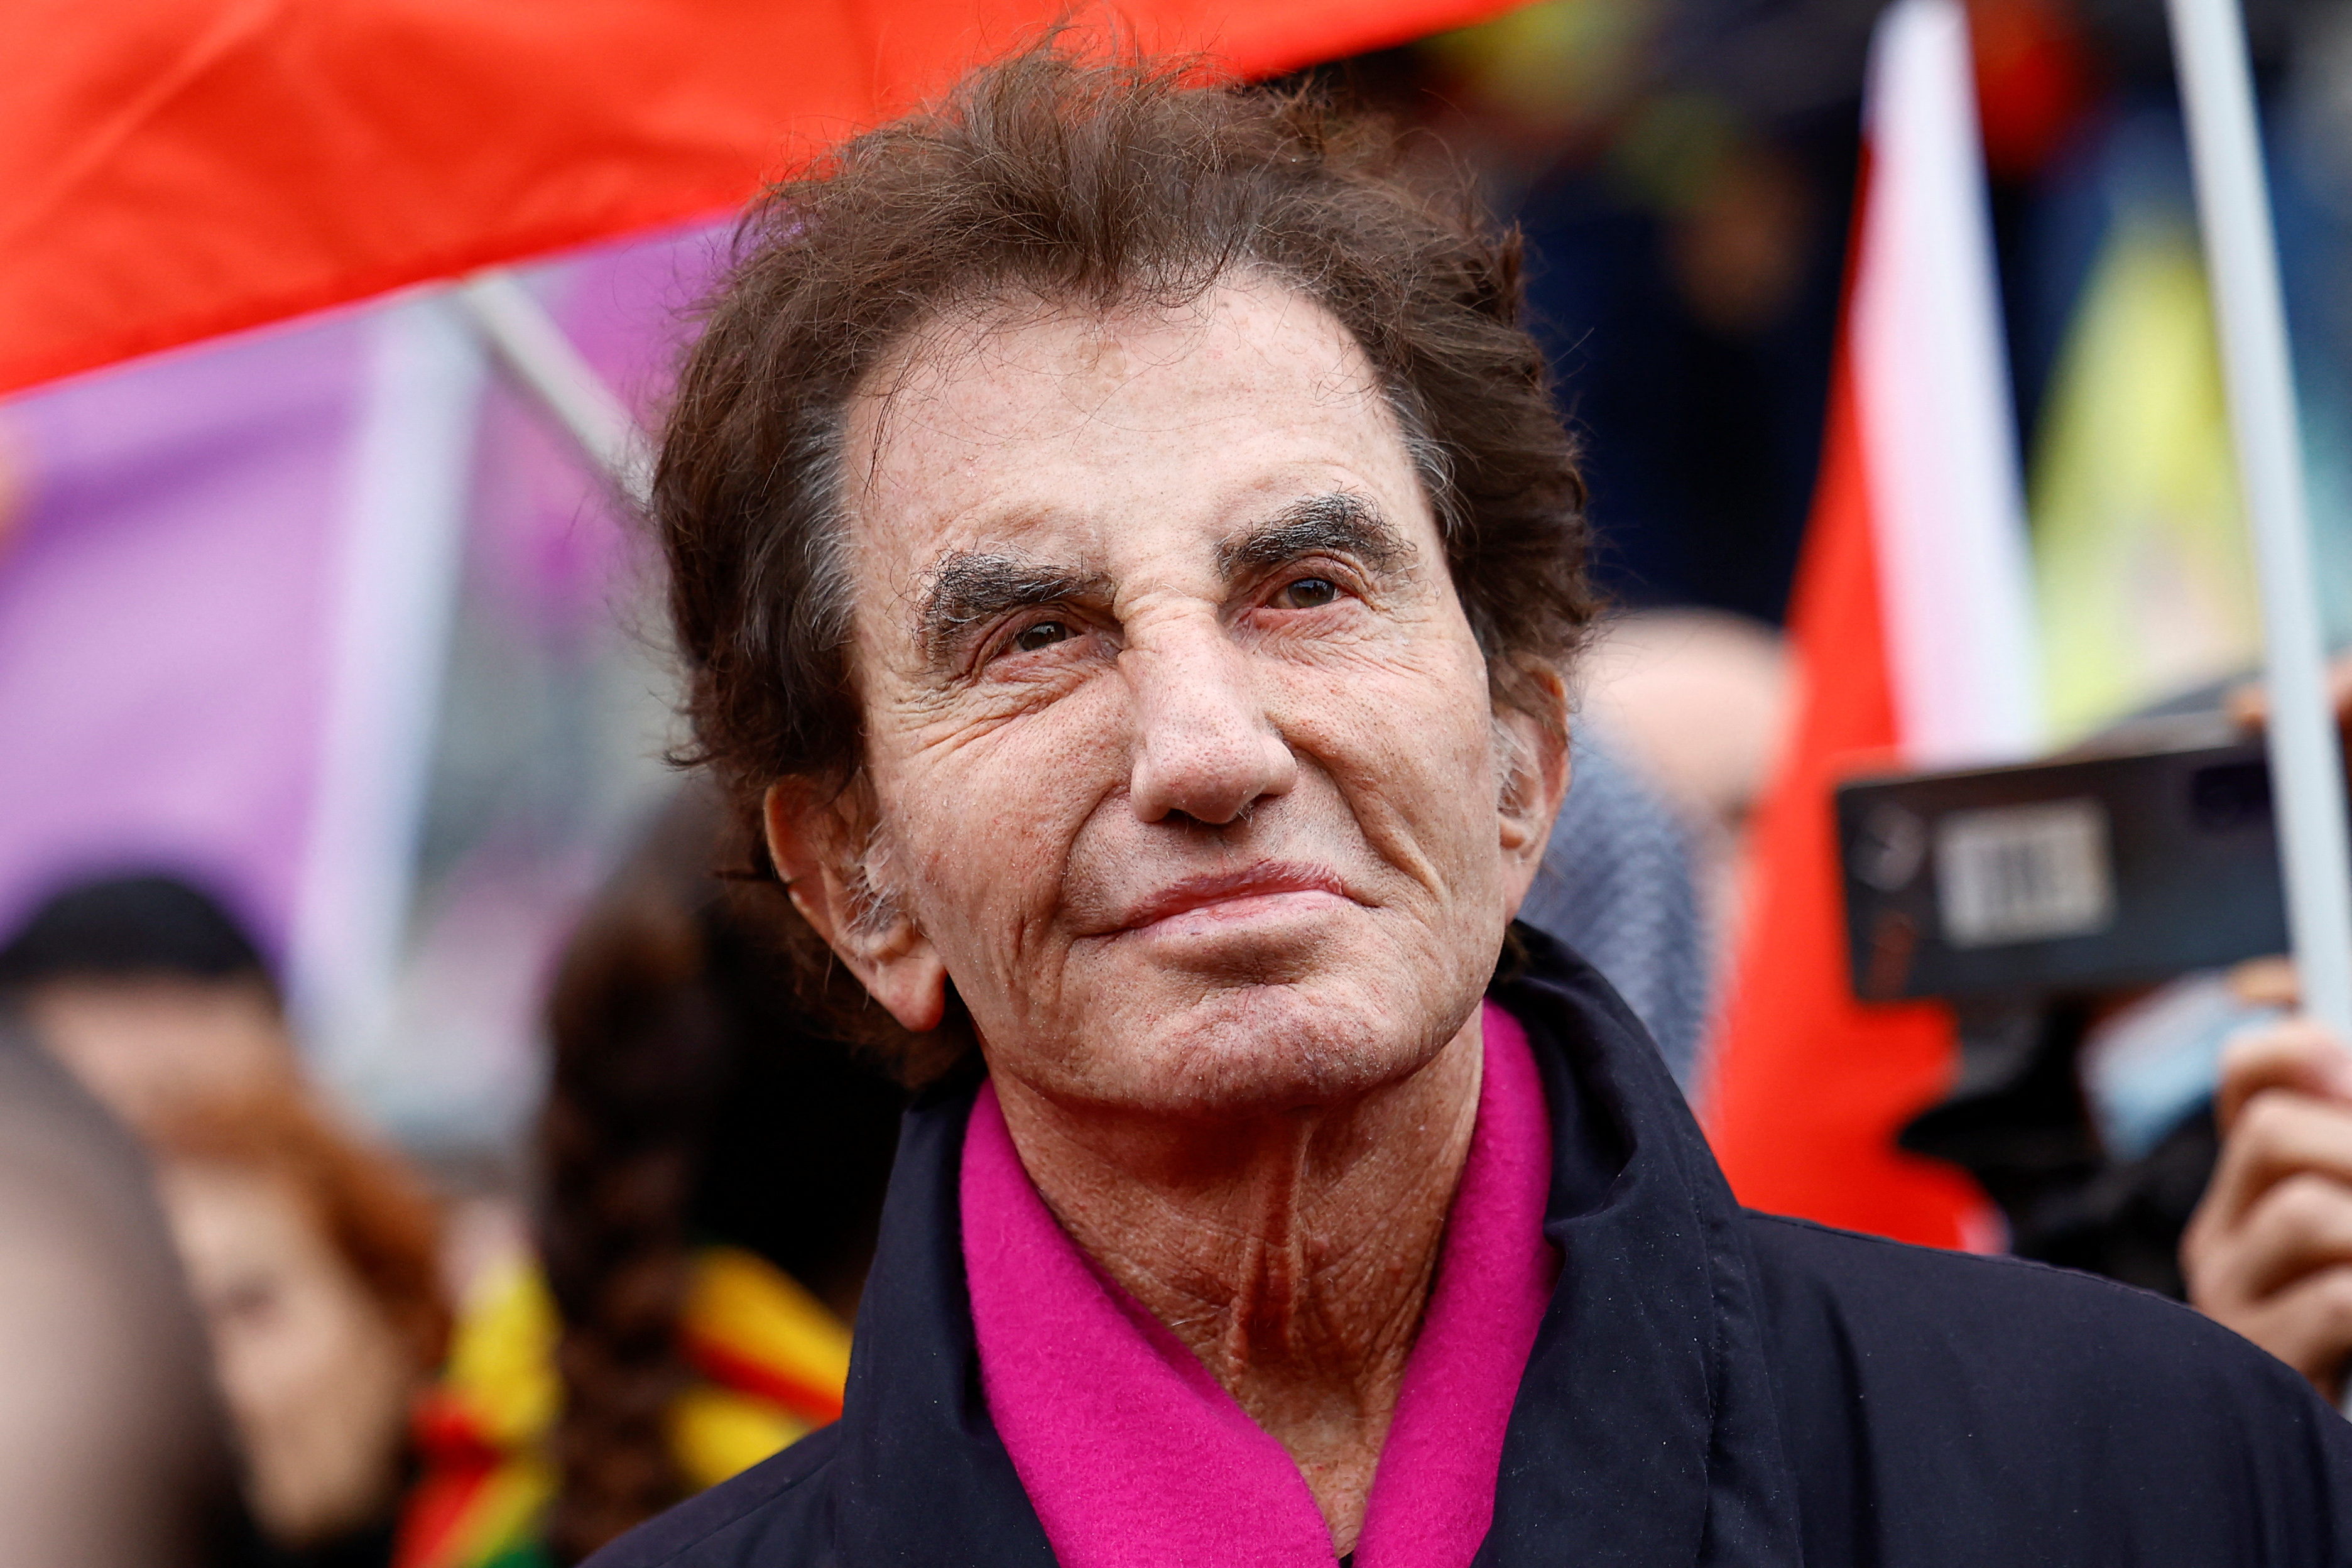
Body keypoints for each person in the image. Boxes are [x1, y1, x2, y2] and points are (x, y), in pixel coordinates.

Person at [595, 46, 2352, 1567]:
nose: (1209, 750)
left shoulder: (2167, 1476)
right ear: (857, 883)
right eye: (1037, 639)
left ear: (1524, 764)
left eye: (1305, 588)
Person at [136, 1087, 449, 1567]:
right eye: (168, 1330)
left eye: (248, 1306)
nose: (219, 1382)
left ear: (394, 1316)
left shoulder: (543, 1532)